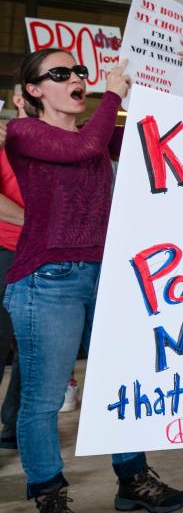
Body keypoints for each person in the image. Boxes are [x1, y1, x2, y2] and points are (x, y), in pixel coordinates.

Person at [5, 50, 183, 511]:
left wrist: (178, 75)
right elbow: (81, 149)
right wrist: (113, 95)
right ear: (33, 90)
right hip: (46, 281)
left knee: (120, 384)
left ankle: (133, 479)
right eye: (61, 74)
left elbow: (161, 131)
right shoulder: (25, 132)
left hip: (105, 276)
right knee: (44, 399)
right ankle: (49, 491)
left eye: (79, 72)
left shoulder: (100, 136)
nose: (76, 79)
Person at [0, 84, 28, 450]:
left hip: (45, 254)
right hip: (6, 251)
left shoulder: (63, 142)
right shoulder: (4, 144)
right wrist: (38, 220)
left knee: (32, 348)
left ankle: (12, 426)